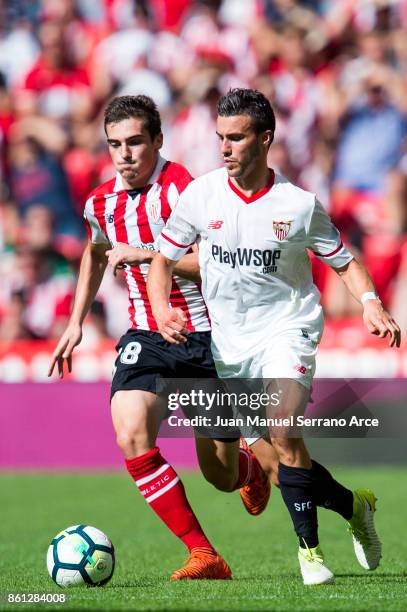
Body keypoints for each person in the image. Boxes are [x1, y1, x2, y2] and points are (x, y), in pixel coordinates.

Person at [147, 88, 401, 586]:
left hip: (288, 327)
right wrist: (160, 308)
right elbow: (163, 260)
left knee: (283, 431)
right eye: (220, 137)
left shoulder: (299, 205)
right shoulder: (201, 195)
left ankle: (311, 557)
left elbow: (345, 263)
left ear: (265, 139)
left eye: (236, 138)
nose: (224, 147)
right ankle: (355, 506)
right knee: (281, 464)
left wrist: (371, 303)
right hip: (230, 345)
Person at [48, 94, 273, 581]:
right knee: (130, 432)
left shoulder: (184, 191)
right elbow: (95, 249)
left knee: (219, 474)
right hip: (148, 335)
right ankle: (204, 554)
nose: (125, 154)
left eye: (134, 142)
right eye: (115, 145)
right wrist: (74, 320)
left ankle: (248, 470)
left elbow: (215, 260)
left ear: (157, 141)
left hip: (206, 337)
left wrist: (145, 253)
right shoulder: (100, 202)